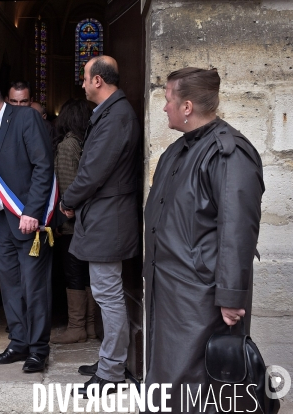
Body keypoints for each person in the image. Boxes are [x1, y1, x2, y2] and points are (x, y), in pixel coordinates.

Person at [144, 67, 264, 412]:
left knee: (197, 385)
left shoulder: (230, 153)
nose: (164, 106)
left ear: (187, 106)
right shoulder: (177, 151)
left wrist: (231, 296)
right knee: (168, 381)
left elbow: (237, 230)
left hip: (201, 296)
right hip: (170, 290)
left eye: (168, 99)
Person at [59, 56, 140, 397]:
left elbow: (92, 171)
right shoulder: (112, 113)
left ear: (97, 81)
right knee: (107, 295)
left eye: (84, 78)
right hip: (105, 217)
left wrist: (68, 199)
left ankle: (111, 372)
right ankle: (111, 360)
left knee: (108, 297)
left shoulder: (116, 116)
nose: (81, 84)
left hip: (109, 219)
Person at [0, 77, 55, 372]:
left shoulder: (25, 117)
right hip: (2, 219)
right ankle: (18, 342)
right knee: (10, 286)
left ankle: (38, 350)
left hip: (27, 221)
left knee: (34, 287)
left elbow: (43, 166)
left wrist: (33, 211)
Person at [50, 98, 97, 345]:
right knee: (85, 275)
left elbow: (68, 186)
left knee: (74, 274)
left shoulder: (68, 144)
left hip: (72, 224)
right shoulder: (84, 141)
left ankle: (77, 326)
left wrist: (63, 215)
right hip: (87, 222)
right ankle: (88, 327)